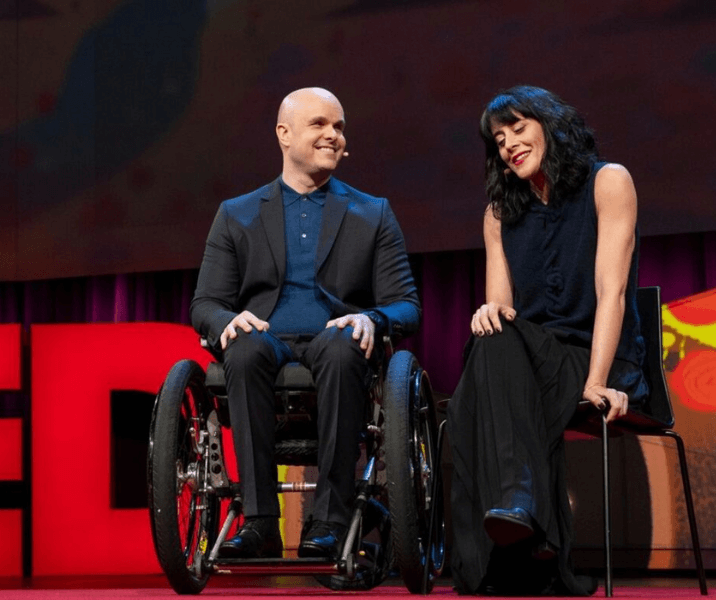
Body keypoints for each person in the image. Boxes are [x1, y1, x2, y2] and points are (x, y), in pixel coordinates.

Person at [190, 87, 420, 559]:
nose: (333, 135)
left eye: (338, 127)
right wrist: (227, 321)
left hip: (333, 341)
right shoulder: (237, 214)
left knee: (342, 345)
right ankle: (259, 523)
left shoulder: (372, 212)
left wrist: (371, 318)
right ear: (284, 134)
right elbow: (206, 303)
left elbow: (406, 305)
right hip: (266, 339)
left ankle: (330, 521)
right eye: (319, 124)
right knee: (245, 347)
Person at [447, 85, 649, 596]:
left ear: (550, 125)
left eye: (518, 128)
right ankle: (522, 512)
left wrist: (598, 380)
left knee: (482, 388)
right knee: (492, 336)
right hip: (527, 361)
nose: (509, 144)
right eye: (498, 139)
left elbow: (613, 291)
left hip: (591, 357)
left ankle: (517, 533)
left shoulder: (608, 182)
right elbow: (503, 312)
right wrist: (487, 312)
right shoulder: (498, 212)